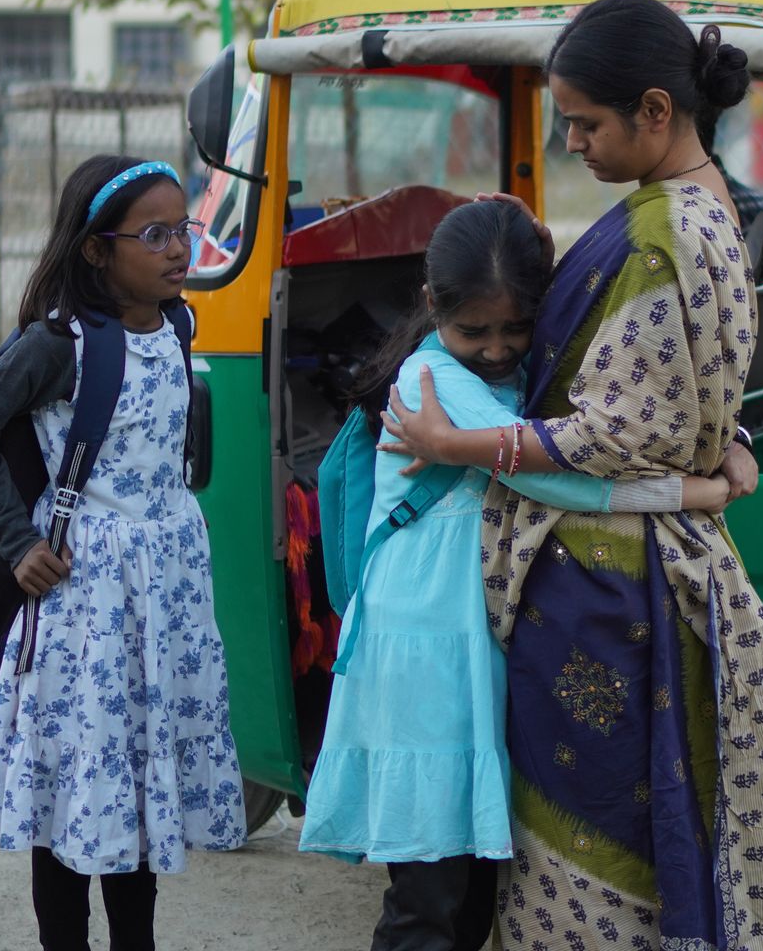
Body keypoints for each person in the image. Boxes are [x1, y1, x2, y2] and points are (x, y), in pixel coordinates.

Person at [381, 0, 763, 951]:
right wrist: (727, 454)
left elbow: (610, 435)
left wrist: (457, 446)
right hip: (629, 574)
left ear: (652, 110)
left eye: (585, 123)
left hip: (609, 585)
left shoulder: (658, 235)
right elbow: (691, 396)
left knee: (591, 860)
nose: (573, 143)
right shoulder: (707, 209)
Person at [299, 198, 732, 951]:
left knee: (469, 892)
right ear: (434, 306)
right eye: (477, 331)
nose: (498, 349)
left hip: (469, 642)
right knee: (428, 893)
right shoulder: (430, 381)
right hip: (426, 645)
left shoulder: (507, 371)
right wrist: (692, 493)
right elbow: (554, 476)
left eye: (515, 327)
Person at [0, 156, 244, 951]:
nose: (178, 248)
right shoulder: (59, 346)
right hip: (86, 604)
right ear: (97, 252)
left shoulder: (177, 324)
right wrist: (19, 541)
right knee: (75, 784)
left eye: (185, 228)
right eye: (154, 234)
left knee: (136, 781)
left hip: (161, 594)